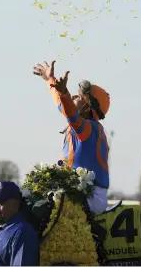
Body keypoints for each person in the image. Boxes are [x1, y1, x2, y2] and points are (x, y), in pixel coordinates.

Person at [33, 60, 110, 215]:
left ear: (87, 107)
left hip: (91, 197)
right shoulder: (84, 125)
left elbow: (69, 113)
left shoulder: (88, 128)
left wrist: (62, 92)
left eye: (79, 96)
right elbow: (63, 106)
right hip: (83, 192)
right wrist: (50, 81)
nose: (74, 95)